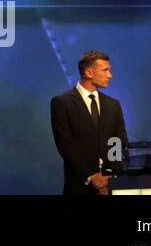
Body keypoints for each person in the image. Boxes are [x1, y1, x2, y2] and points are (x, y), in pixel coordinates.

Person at [49, 50, 130, 196]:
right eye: (105, 70)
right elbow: (65, 145)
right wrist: (92, 177)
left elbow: (118, 142)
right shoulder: (62, 103)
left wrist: (109, 176)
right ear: (89, 72)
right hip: (79, 187)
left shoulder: (113, 105)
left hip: (110, 187)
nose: (110, 75)